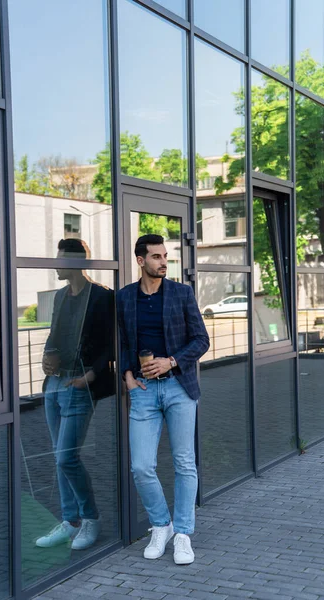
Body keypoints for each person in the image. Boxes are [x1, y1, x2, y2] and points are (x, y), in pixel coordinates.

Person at [117, 234, 209, 565]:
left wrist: (171, 361)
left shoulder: (181, 294)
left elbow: (202, 340)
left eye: (165, 256)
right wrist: (127, 376)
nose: (163, 262)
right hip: (142, 390)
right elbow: (123, 342)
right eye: (156, 257)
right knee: (141, 466)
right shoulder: (125, 298)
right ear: (140, 260)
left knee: (184, 462)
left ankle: (183, 533)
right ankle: (162, 525)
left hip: (178, 388)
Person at [35, 238, 114, 550]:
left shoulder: (101, 296)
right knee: (59, 457)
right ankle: (70, 522)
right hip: (55, 384)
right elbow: (55, 334)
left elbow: (110, 344)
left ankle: (90, 518)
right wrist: (46, 357)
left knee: (67, 457)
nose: (55, 265)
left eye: (60, 260)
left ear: (77, 263)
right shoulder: (60, 296)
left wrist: (89, 376)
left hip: (81, 385)